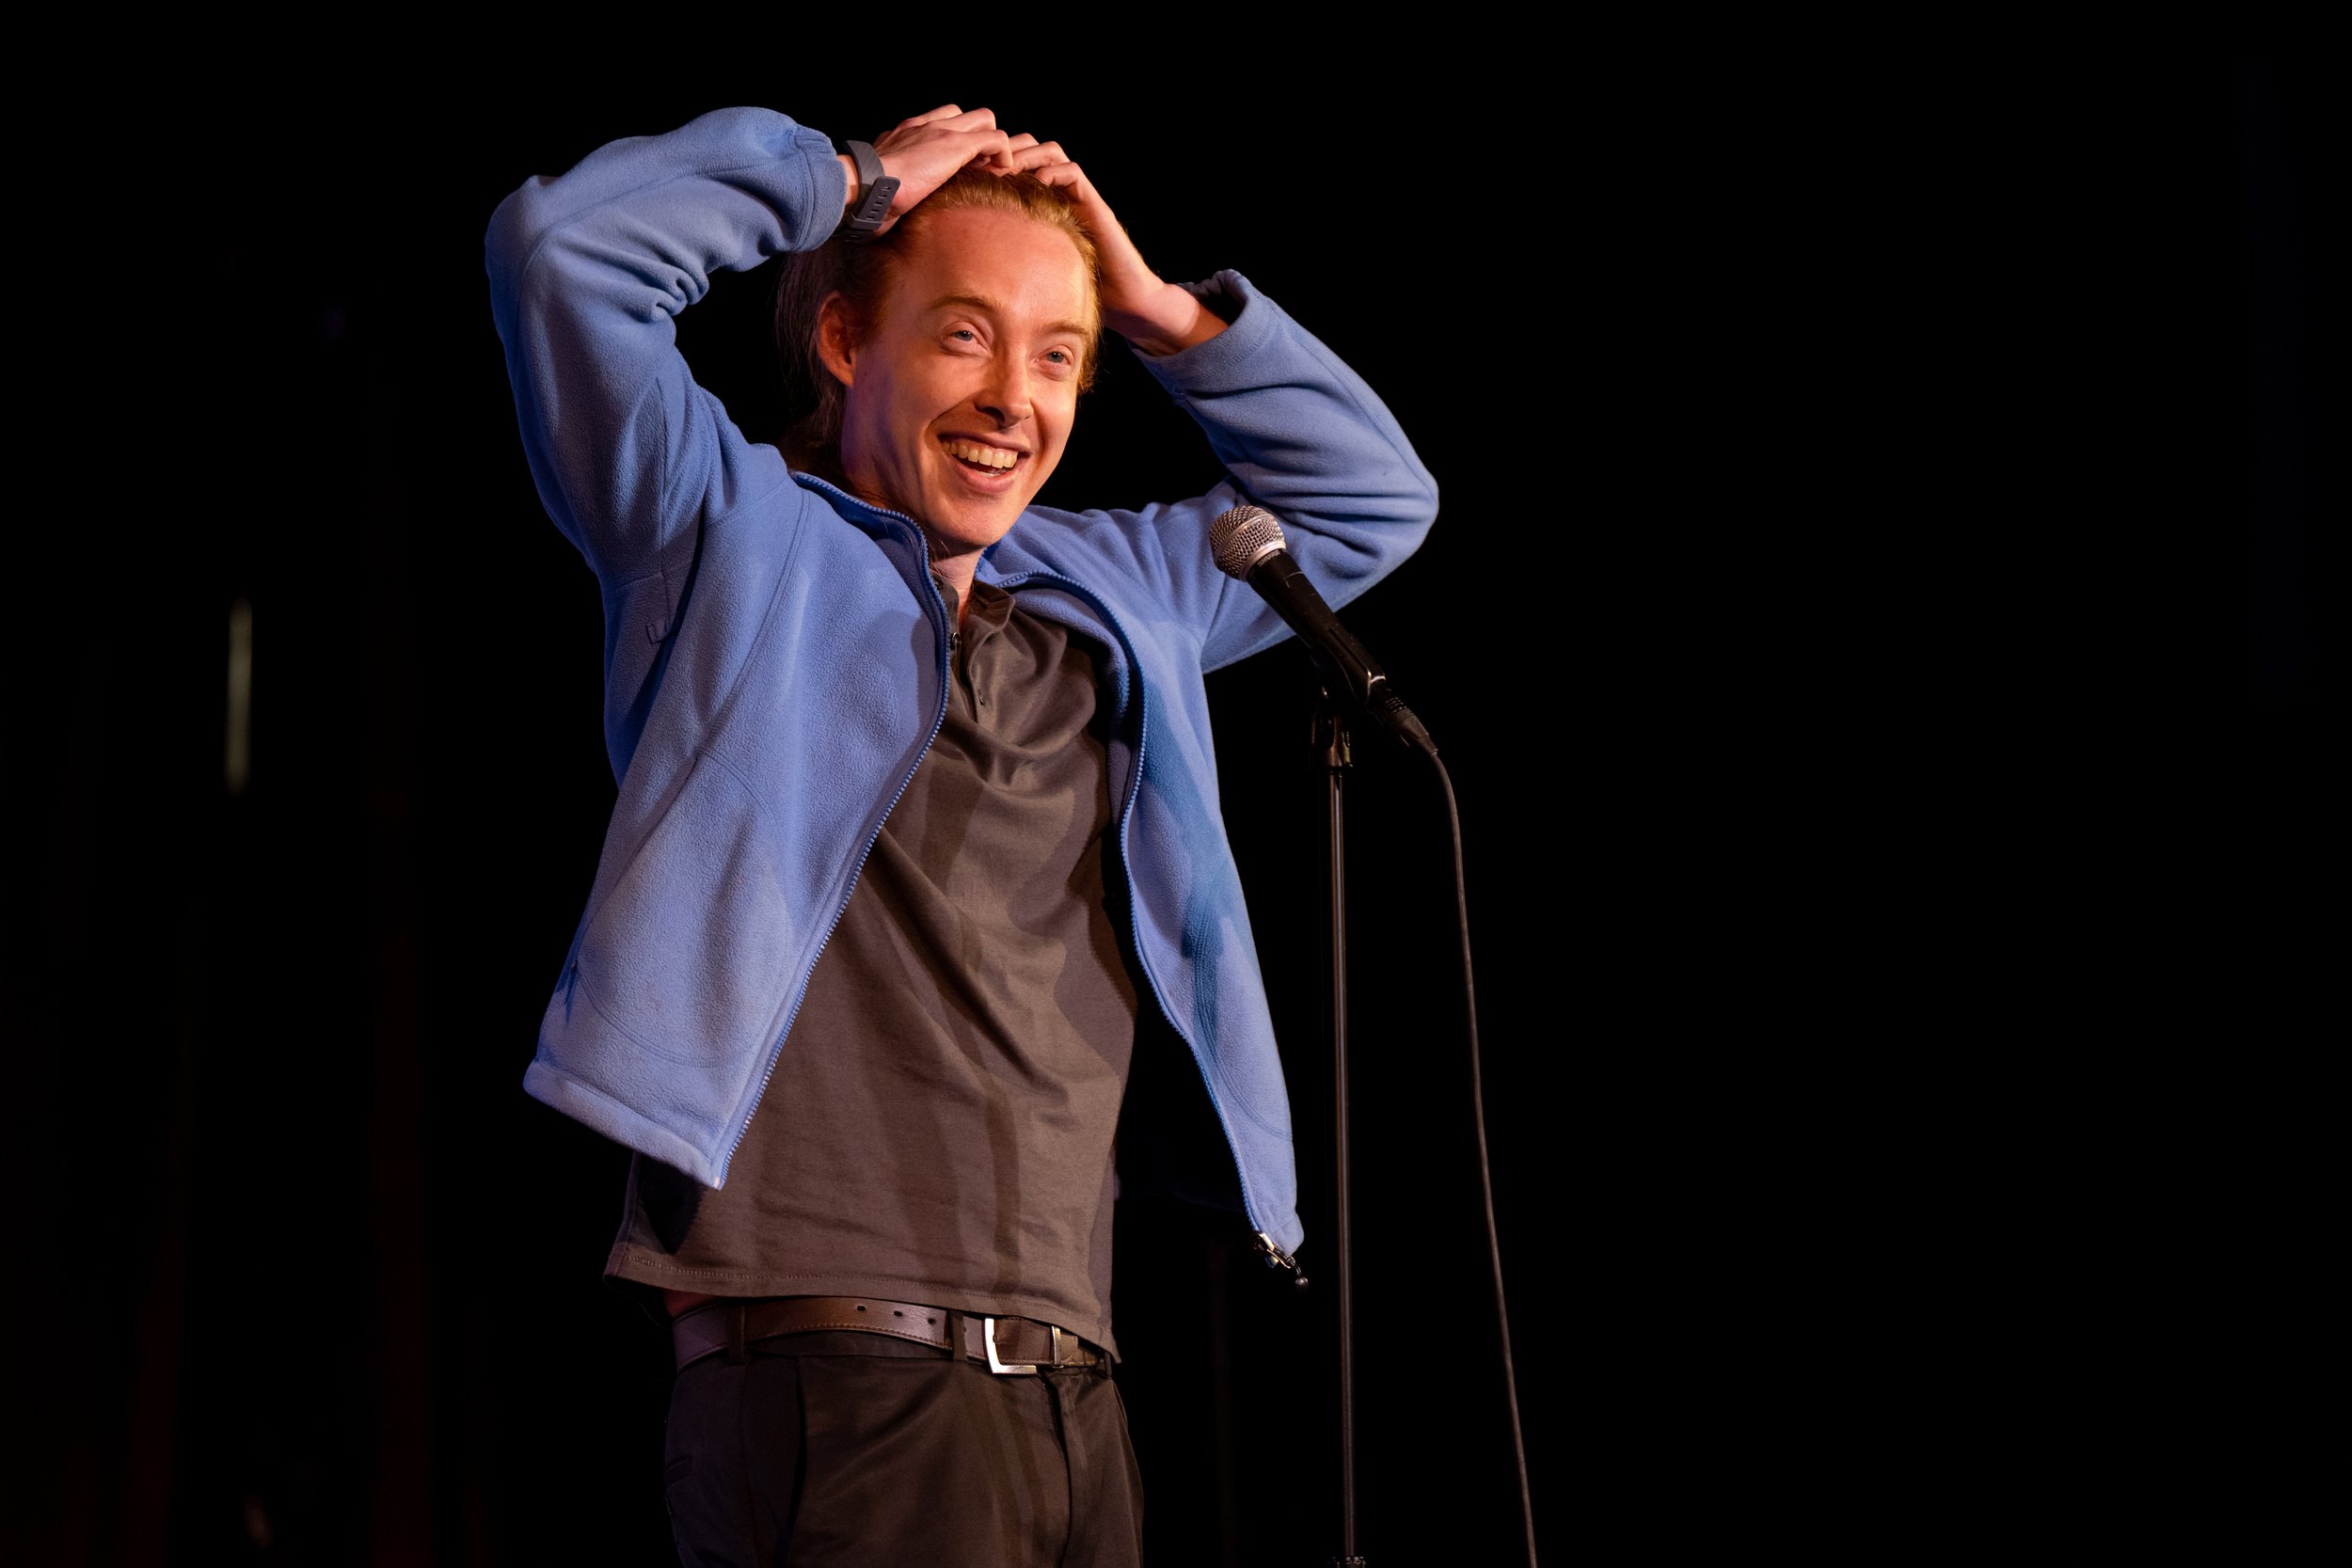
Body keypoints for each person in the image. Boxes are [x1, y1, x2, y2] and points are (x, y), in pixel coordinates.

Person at [485, 103, 1437, 1565]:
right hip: (836, 1371)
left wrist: (1152, 303)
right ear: (845, 341)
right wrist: (844, 179)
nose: (1015, 397)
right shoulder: (726, 537)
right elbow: (562, 252)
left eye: (1056, 357)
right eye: (964, 336)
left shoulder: (1118, 589)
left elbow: (1371, 498)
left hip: (1072, 1377)